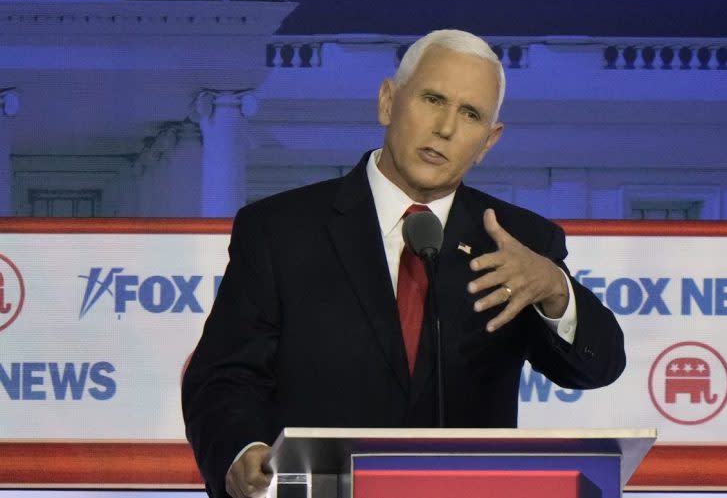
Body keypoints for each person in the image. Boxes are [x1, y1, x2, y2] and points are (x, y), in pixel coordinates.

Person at [182, 29, 625, 498]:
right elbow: (223, 377)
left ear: (489, 141)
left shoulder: (517, 242)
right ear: (388, 102)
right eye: (432, 99)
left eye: (470, 114)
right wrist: (242, 450)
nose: (446, 129)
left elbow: (597, 368)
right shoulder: (280, 230)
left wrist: (556, 288)